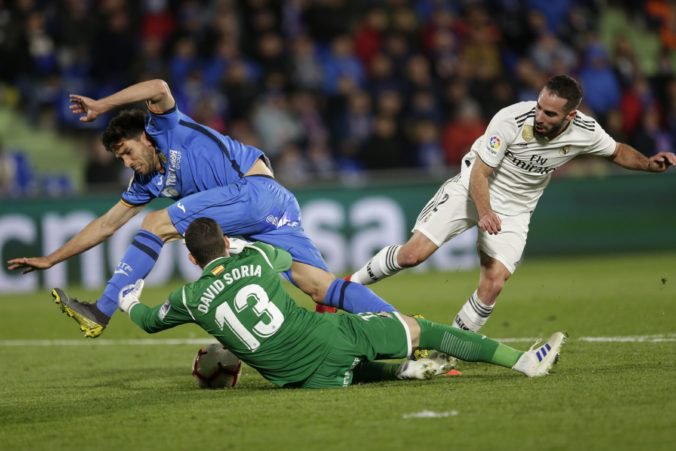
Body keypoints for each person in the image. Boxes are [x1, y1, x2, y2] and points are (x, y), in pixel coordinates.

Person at [6, 79, 394, 338]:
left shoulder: (165, 127)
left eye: (126, 152)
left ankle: (103, 309)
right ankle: (403, 328)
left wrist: (102, 105)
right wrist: (52, 259)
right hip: (267, 212)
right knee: (320, 287)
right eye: (119, 159)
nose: (126, 163)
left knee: (157, 221)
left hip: (256, 191)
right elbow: (106, 225)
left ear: (143, 137)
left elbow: (158, 86)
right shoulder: (147, 182)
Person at [349, 74, 676, 332]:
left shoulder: (586, 131)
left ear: (570, 116)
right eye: (539, 106)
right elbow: (480, 172)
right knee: (412, 255)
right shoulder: (510, 119)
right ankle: (345, 287)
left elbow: (616, 151)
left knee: (493, 283)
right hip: (470, 190)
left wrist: (649, 164)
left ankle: (445, 351)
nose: (540, 116)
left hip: (516, 210)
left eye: (549, 113)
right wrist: (486, 211)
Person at [116, 217, 566, 388]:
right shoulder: (253, 255)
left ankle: (402, 370)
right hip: (326, 337)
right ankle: (524, 362)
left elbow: (148, 321)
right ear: (225, 244)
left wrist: (127, 297)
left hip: (294, 380)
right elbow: (279, 258)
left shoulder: (189, 298)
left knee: (340, 367)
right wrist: (238, 245)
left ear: (191, 258)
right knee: (417, 327)